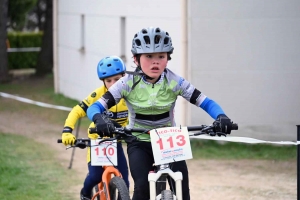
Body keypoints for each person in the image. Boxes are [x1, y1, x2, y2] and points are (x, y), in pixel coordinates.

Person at [86, 27, 234, 200]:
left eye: (161, 56)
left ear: (167, 59)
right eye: (149, 56)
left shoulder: (175, 81)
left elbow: (205, 102)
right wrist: (99, 119)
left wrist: (221, 117)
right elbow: (95, 107)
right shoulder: (127, 83)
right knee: (142, 188)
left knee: (182, 190)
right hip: (138, 141)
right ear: (136, 59)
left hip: (169, 141)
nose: (155, 62)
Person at [61, 56, 129, 200]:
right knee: (95, 176)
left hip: (115, 141)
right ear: (103, 81)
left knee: (125, 182)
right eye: (108, 80)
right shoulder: (98, 95)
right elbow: (77, 111)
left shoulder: (129, 93)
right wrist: (67, 131)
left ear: (124, 76)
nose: (113, 84)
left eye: (117, 79)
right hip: (97, 141)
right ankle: (85, 193)